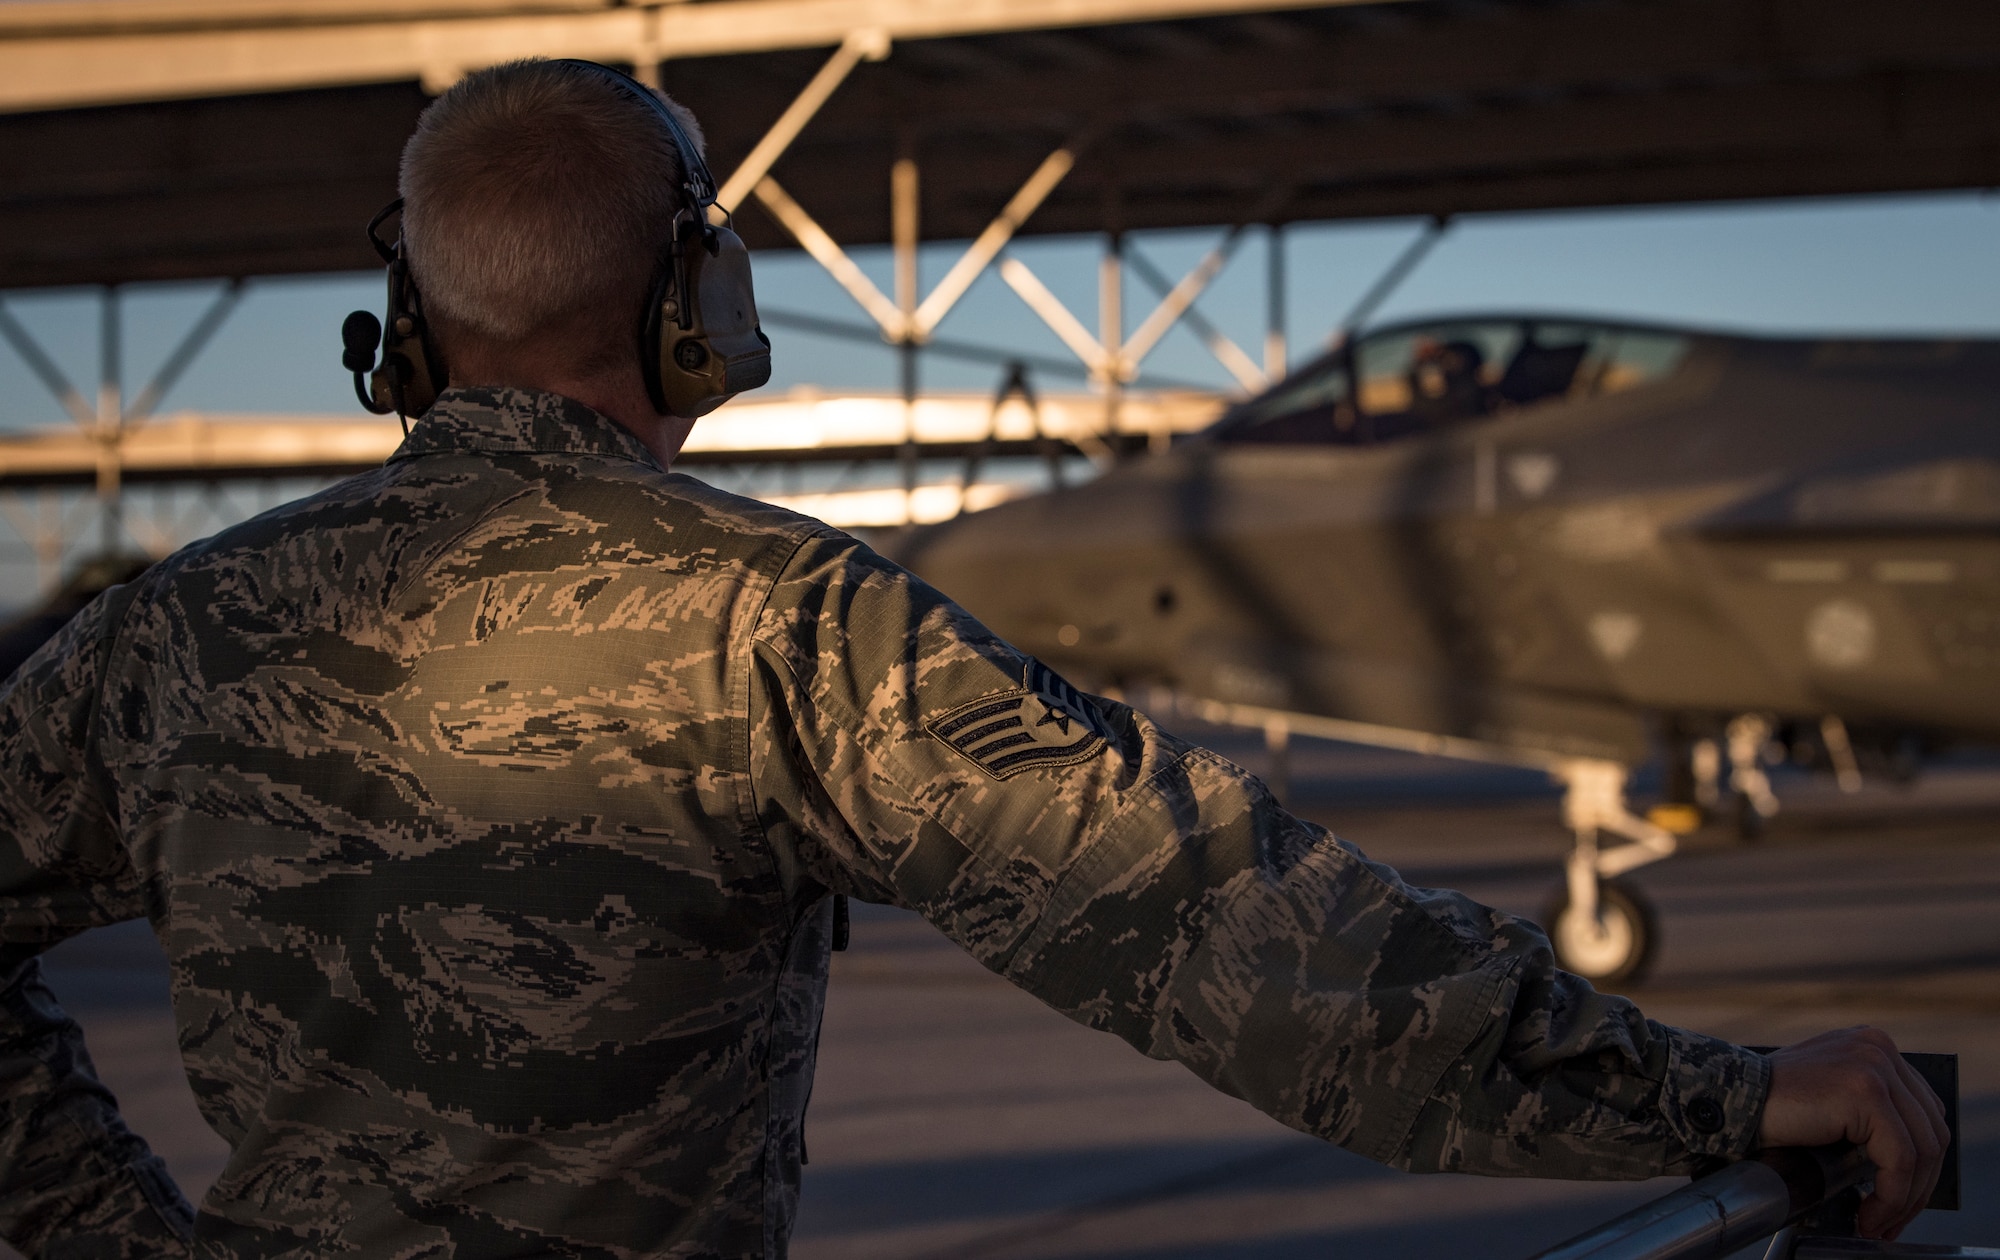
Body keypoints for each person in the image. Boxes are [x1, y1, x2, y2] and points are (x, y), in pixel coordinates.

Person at [0, 59, 1947, 1258]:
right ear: (700, 311)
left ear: (402, 330)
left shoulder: (163, 640)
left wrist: (97, 1236)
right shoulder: (777, 625)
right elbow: (1221, 932)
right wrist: (1700, 1098)